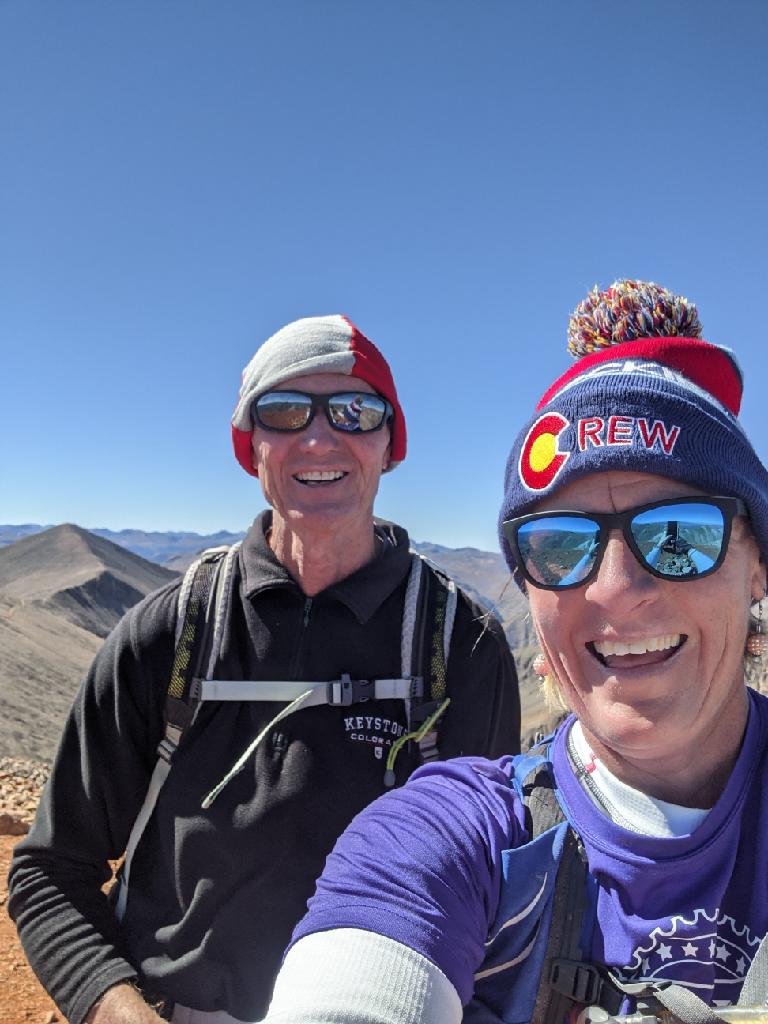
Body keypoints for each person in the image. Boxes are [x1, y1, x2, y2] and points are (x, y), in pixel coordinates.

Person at [260, 282, 768, 1024]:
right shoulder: (456, 835)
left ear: (757, 562)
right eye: (560, 545)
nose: (617, 590)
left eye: (680, 533)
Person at [8, 314, 521, 1024]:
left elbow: (500, 893)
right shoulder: (171, 633)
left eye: (354, 410)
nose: (319, 437)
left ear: (389, 444)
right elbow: (48, 873)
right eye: (283, 412)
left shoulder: (458, 645)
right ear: (251, 448)